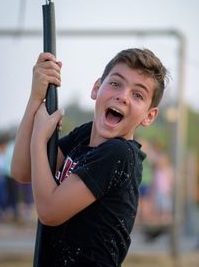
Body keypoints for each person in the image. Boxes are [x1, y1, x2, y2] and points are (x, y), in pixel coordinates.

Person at [11, 48, 168, 266]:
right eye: (115, 83)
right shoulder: (84, 135)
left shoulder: (120, 154)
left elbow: (49, 211)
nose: (122, 96)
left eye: (138, 95)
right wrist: (36, 97)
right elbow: (22, 170)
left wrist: (39, 138)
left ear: (149, 116)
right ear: (96, 88)